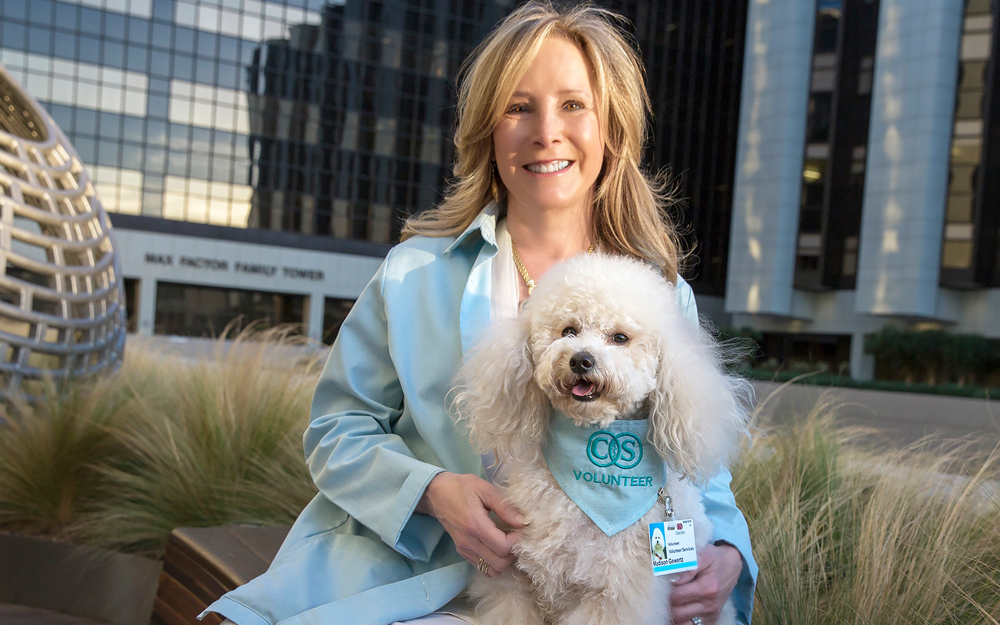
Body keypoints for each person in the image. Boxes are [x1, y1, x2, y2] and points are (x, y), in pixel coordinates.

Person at [203, 3, 756, 624]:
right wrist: (432, 492)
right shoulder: (414, 273)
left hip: (618, 590)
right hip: (419, 577)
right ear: (487, 132)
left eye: (573, 104)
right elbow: (337, 432)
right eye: (519, 107)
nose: (546, 131)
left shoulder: (659, 294)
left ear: (612, 129)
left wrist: (730, 553)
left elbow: (695, 471)